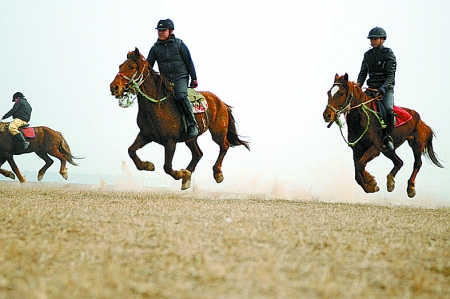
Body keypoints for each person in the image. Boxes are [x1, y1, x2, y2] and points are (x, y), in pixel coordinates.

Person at [147, 19, 199, 137]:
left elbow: (189, 62)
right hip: (165, 79)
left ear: (170, 31)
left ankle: (193, 124)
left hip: (180, 76)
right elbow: (148, 65)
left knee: (180, 96)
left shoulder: (179, 44)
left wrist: (194, 78)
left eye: (163, 30)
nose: (160, 32)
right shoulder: (155, 48)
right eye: (158, 30)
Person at [357, 26, 397, 151]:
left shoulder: (388, 54)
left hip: (385, 89)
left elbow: (391, 75)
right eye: (371, 39)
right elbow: (363, 73)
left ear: (383, 40)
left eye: (375, 39)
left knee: (389, 109)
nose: (372, 41)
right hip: (371, 88)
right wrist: (357, 87)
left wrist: (384, 88)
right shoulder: (367, 55)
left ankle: (388, 137)